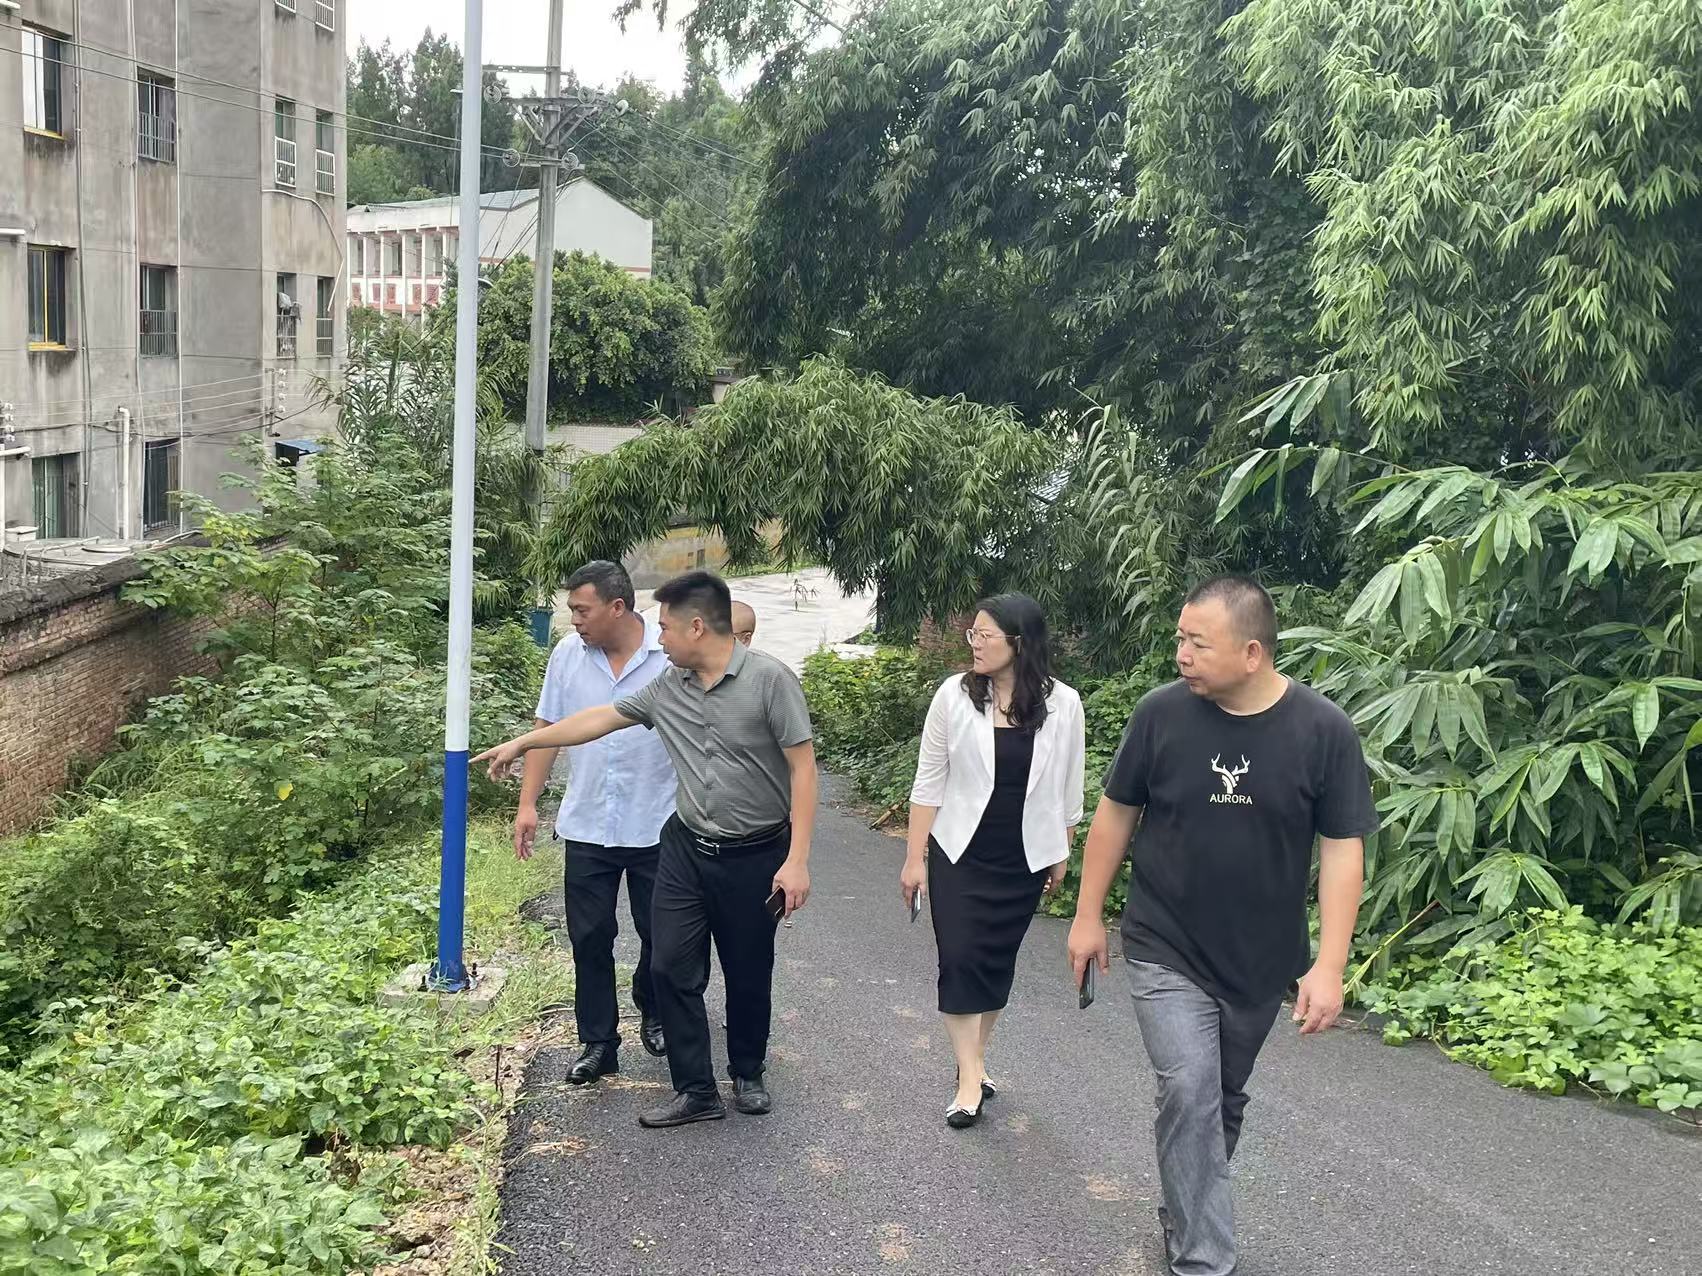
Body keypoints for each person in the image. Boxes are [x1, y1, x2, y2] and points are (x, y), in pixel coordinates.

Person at [1067, 576, 1375, 1276]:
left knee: (1220, 1100)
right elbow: (1115, 814)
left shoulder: (1322, 730)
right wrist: (1088, 916)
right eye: (1180, 638)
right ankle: (1204, 1260)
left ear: (1252, 652)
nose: (1181, 654)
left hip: (1260, 958)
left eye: (1198, 643)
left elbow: (1342, 850)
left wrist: (1330, 964)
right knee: (1189, 1088)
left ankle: (1185, 1211)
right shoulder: (1160, 715)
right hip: (1163, 941)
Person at [476, 570, 818, 1129]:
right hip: (685, 846)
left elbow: (803, 771)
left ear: (697, 627)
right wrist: (524, 741)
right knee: (669, 965)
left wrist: (796, 859)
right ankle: (695, 1089)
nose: (659, 639)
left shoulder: (769, 681)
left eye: (666, 629)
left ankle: (747, 1071)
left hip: (756, 852)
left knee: (748, 967)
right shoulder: (668, 687)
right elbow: (599, 720)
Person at [901, 594, 1085, 1129]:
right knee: (959, 957)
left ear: (1019, 643)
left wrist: (1062, 849)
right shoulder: (954, 696)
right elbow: (929, 781)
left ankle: (974, 1060)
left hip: (1024, 856)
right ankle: (968, 1077)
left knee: (996, 961)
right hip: (959, 850)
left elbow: (1069, 785)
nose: (975, 643)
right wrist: (914, 858)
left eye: (985, 635)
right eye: (973, 634)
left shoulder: (1064, 703)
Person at [516, 561, 674, 1084]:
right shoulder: (568, 654)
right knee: (589, 938)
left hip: (660, 821)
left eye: (582, 610)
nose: (574, 620)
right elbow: (549, 727)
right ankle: (599, 1042)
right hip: (587, 823)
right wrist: (528, 803)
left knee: (662, 934)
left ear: (617, 607)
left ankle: (655, 1008)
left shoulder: (668, 653)